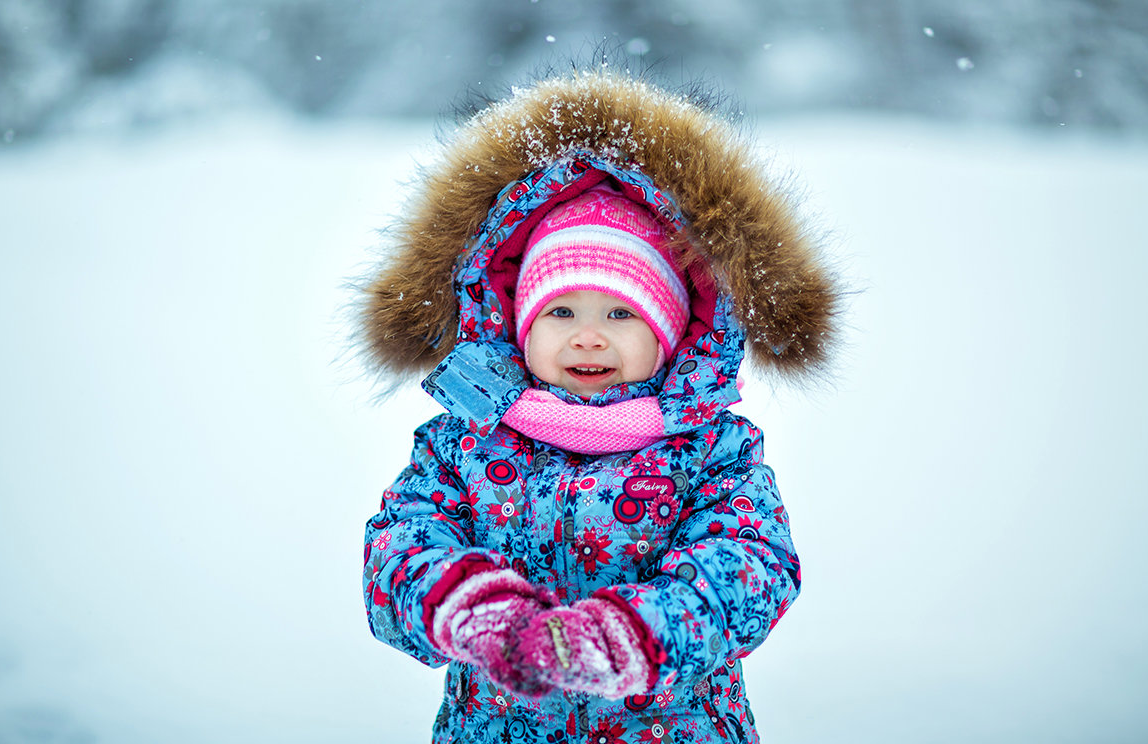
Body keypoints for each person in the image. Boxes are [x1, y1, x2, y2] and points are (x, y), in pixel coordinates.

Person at [357, 68, 840, 743]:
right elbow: (398, 550)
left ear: (670, 331)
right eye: (560, 309)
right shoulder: (464, 442)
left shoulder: (712, 450)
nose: (588, 334)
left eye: (621, 311)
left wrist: (627, 636)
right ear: (517, 322)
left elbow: (751, 566)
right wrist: (470, 607)